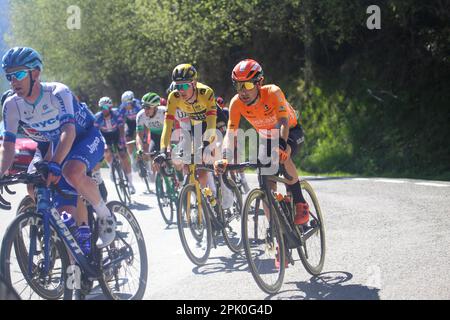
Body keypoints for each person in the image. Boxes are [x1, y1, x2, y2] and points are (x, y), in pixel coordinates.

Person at [0, 47, 116, 249]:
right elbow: (7, 146)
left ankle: (105, 216)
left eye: (18, 74)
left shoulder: (57, 92)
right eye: (9, 76)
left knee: (70, 172)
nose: (13, 81)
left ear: (35, 73)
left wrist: (55, 164)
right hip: (52, 144)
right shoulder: (11, 105)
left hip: (84, 136)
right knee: (33, 182)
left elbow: (68, 132)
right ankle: (64, 229)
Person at [216, 59, 309, 225]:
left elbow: (283, 122)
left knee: (283, 155)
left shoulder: (273, 92)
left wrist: (281, 144)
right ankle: (277, 231)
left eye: (248, 85)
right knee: (266, 186)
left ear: (259, 83)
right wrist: (224, 157)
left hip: (290, 132)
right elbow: (230, 134)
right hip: (267, 138)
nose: (243, 91)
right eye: (239, 86)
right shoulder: (236, 103)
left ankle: (300, 202)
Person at [155, 64, 217, 188]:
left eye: (184, 85)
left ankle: (224, 191)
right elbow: (167, 126)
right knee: (186, 163)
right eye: (178, 86)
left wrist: (206, 143)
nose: (181, 90)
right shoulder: (174, 97)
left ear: (194, 83)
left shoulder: (206, 92)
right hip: (196, 127)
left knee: (216, 162)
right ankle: (195, 194)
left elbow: (211, 123)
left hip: (213, 123)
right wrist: (162, 150)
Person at [95, 96, 135, 194]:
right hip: (105, 135)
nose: (103, 110)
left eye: (105, 108)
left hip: (117, 133)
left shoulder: (116, 113)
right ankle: (111, 167)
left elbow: (121, 127)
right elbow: (96, 131)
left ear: (109, 108)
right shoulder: (98, 117)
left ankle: (130, 184)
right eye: (101, 108)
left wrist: (122, 140)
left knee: (123, 156)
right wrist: (102, 143)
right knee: (106, 151)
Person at [118, 90, 141, 171]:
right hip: (130, 123)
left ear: (132, 101)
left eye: (128, 103)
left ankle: (141, 155)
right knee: (127, 138)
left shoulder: (138, 104)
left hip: (139, 121)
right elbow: (120, 121)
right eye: (124, 104)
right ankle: (132, 159)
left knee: (141, 137)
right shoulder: (122, 108)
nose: (126, 106)